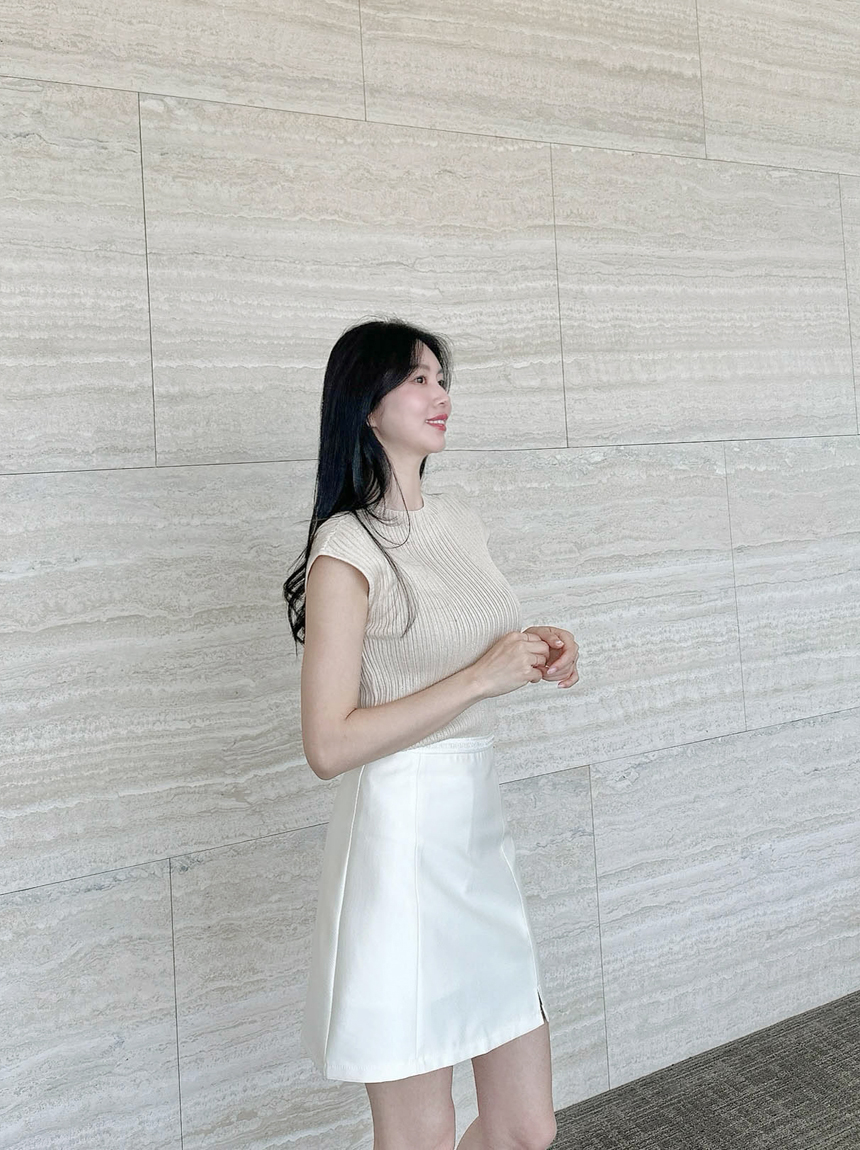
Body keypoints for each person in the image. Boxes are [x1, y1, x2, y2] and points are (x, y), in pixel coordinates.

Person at [283, 317, 579, 1150]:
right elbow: (328, 744)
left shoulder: (461, 524)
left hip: (476, 834)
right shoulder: (346, 548)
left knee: (526, 1127)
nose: (439, 394)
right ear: (367, 406)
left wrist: (537, 647)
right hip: (400, 844)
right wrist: (480, 677)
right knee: (420, 1134)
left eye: (440, 378)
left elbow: (459, 644)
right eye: (416, 379)